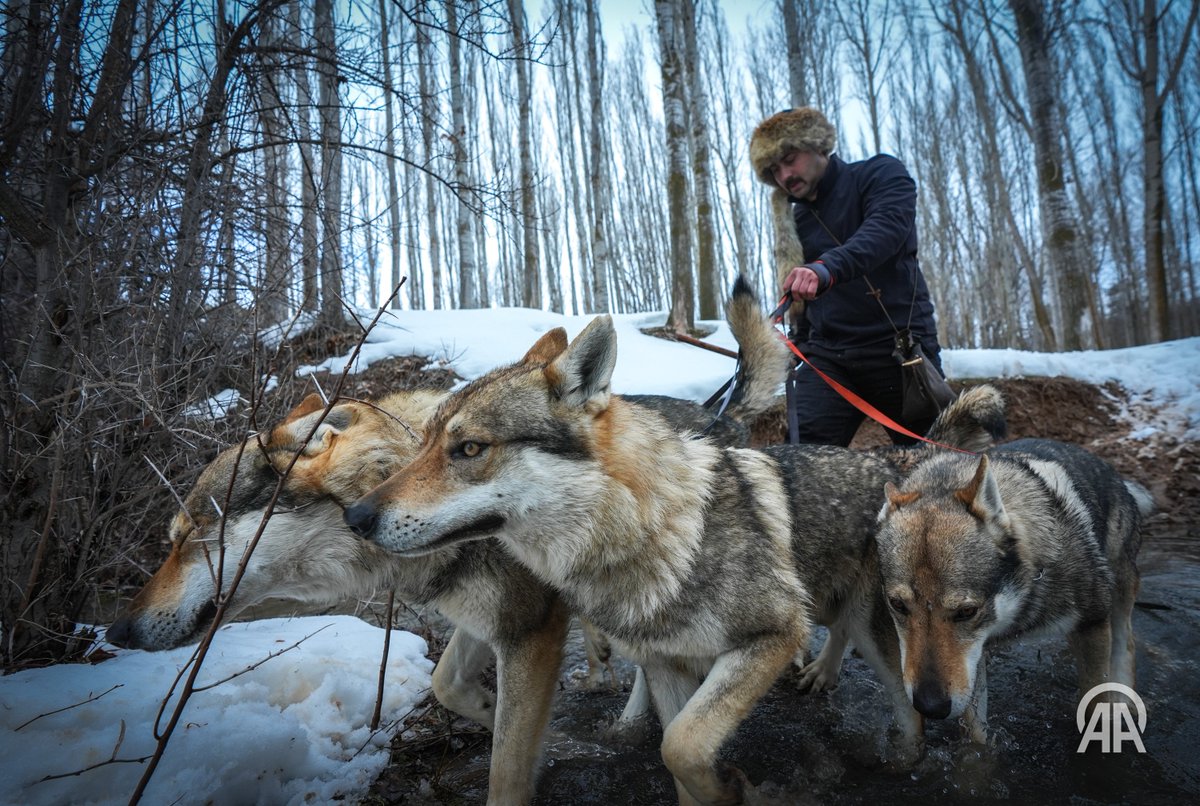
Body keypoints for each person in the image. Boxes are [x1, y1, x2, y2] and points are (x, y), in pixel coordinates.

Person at [748, 107, 946, 446]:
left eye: (789, 159)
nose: (784, 175)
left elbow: (885, 231)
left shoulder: (880, 174)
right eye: (774, 170)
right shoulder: (796, 221)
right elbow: (808, 304)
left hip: (900, 351)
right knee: (802, 465)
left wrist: (825, 269)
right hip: (830, 360)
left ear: (818, 146)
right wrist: (799, 340)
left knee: (938, 462)